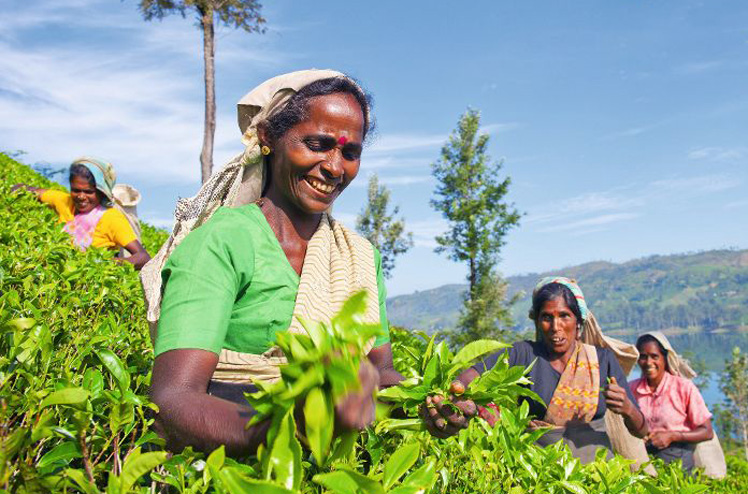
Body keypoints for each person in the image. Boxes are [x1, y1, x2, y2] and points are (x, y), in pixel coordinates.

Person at [143, 70, 403, 457]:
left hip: (330, 469)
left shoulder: (359, 257)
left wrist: (429, 403)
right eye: (317, 144)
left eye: (350, 153)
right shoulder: (225, 241)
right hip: (222, 467)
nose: (334, 167)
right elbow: (172, 399)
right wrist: (286, 426)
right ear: (268, 138)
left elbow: (380, 374)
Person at [421, 277, 648, 464]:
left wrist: (627, 407)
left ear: (578, 321)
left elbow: (641, 430)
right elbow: (475, 374)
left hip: (598, 474)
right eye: (547, 317)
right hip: (540, 474)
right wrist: (453, 392)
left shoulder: (601, 359)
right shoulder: (524, 353)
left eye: (564, 316)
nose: (556, 327)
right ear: (538, 321)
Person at [11, 157, 150, 270]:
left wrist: (108, 264)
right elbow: (27, 189)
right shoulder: (64, 200)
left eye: (89, 192)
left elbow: (143, 257)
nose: (81, 196)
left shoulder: (111, 218)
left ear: (102, 192)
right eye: (76, 190)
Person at [630, 332, 714, 471]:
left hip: (678, 459)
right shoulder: (633, 388)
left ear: (665, 358)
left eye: (654, 356)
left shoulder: (683, 387)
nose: (649, 362)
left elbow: (707, 432)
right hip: (643, 459)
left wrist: (672, 436)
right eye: (643, 357)